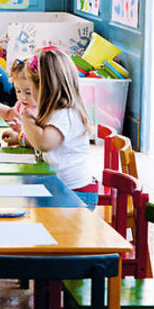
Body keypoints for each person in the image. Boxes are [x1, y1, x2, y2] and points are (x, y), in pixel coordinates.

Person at [18, 48, 98, 209]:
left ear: (41, 86)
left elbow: (44, 143)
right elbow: (47, 143)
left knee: (57, 232)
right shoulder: (53, 110)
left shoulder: (65, 113)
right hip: (60, 187)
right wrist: (21, 139)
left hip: (76, 193)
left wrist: (26, 120)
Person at [0, 57, 40, 146]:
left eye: (28, 92)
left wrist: (19, 134)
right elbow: (8, 113)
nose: (22, 97)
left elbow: (39, 141)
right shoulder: (22, 105)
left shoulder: (42, 111)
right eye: (18, 91)